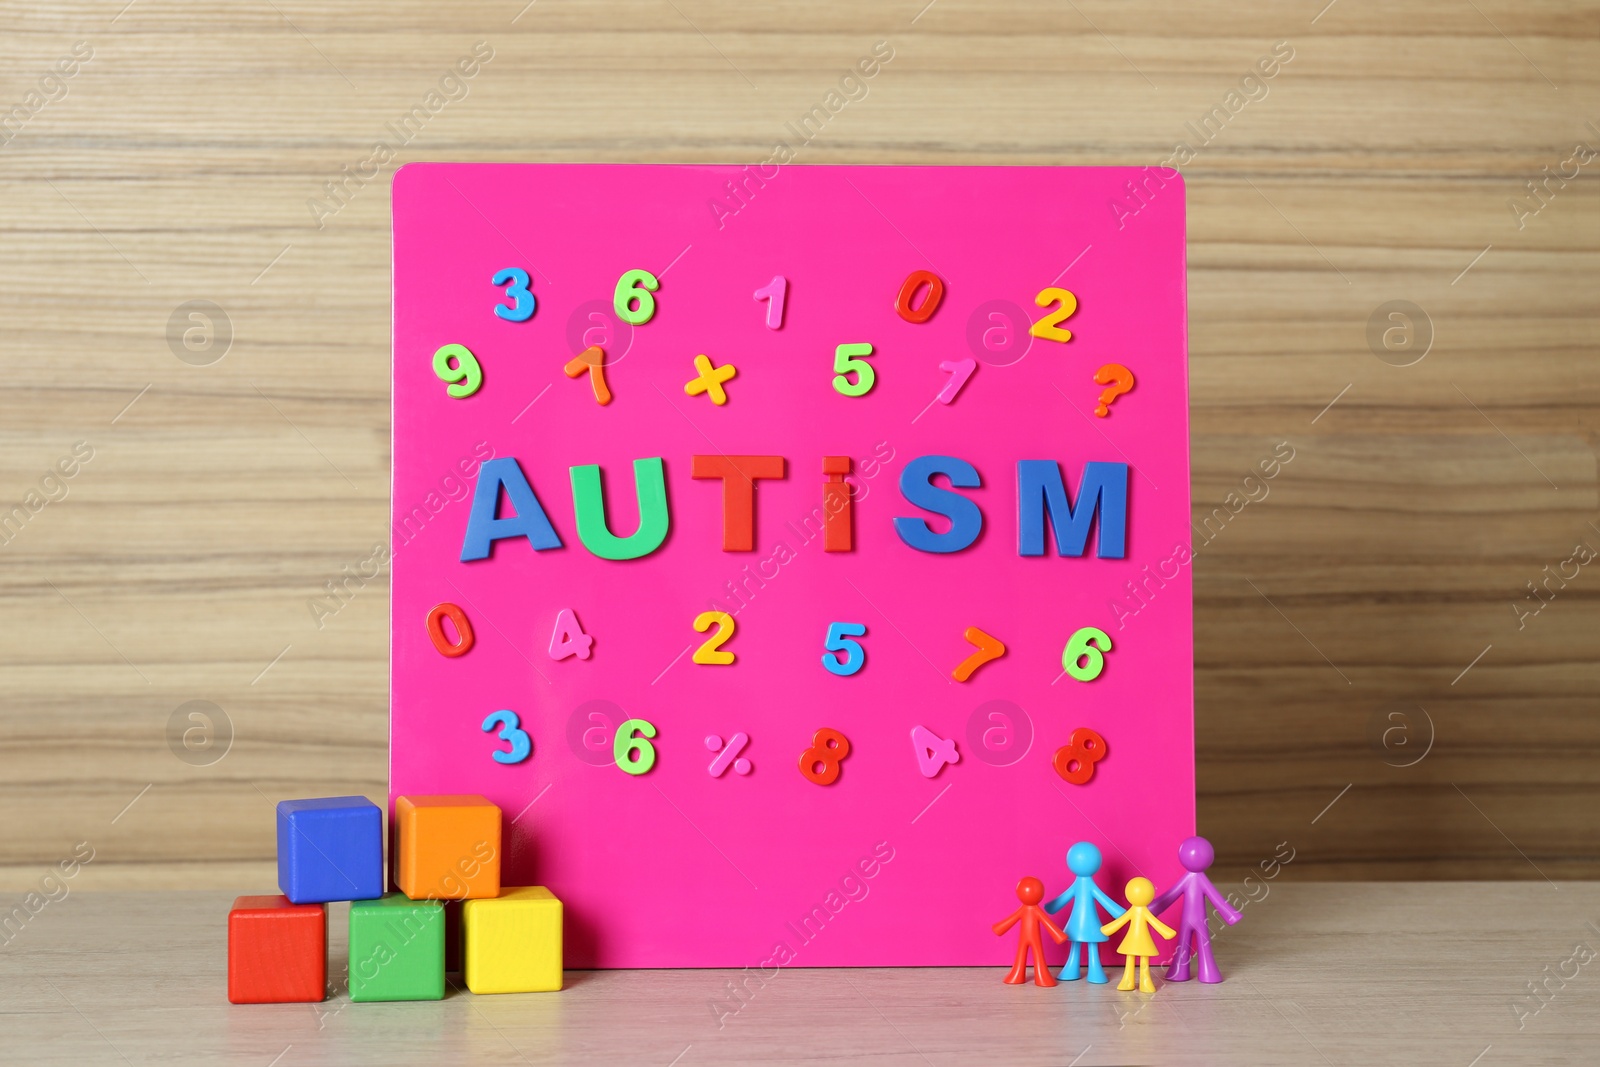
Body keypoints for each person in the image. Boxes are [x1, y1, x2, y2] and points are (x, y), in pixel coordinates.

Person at [1148, 835, 1242, 983]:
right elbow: (1171, 895)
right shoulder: (1193, 879)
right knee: (1188, 944)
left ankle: (1204, 972)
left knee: (1201, 945)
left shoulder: (1193, 879)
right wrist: (1155, 906)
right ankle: (1183, 971)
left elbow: (1215, 898)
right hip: (1193, 920)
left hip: (1196, 920)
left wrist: (1155, 907)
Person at [1043, 841, 1125, 983]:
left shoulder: (1085, 885)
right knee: (1077, 943)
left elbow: (1101, 898)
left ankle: (1094, 971)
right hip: (1078, 922)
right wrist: (1118, 912)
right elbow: (1065, 897)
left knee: (1088, 944)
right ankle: (1074, 970)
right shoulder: (1082, 885)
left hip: (1088, 921)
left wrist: (1118, 912)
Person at [1100, 877, 1175, 992]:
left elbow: (1155, 923)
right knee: (1131, 959)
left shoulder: (1142, 912)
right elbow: (1121, 921)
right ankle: (1128, 981)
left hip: (1141, 940)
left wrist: (1166, 932)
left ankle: (1145, 981)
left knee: (1141, 959)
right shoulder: (1135, 911)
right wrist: (1108, 929)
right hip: (1133, 940)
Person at [992, 875, 1068, 986]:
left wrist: (1058, 935)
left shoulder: (1032, 910)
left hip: (1034, 939)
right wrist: (1058, 935)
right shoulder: (1027, 910)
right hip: (1026, 939)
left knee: (1037, 955)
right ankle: (1018, 975)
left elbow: (1047, 923)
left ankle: (1041, 977)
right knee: (1023, 954)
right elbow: (1011, 920)